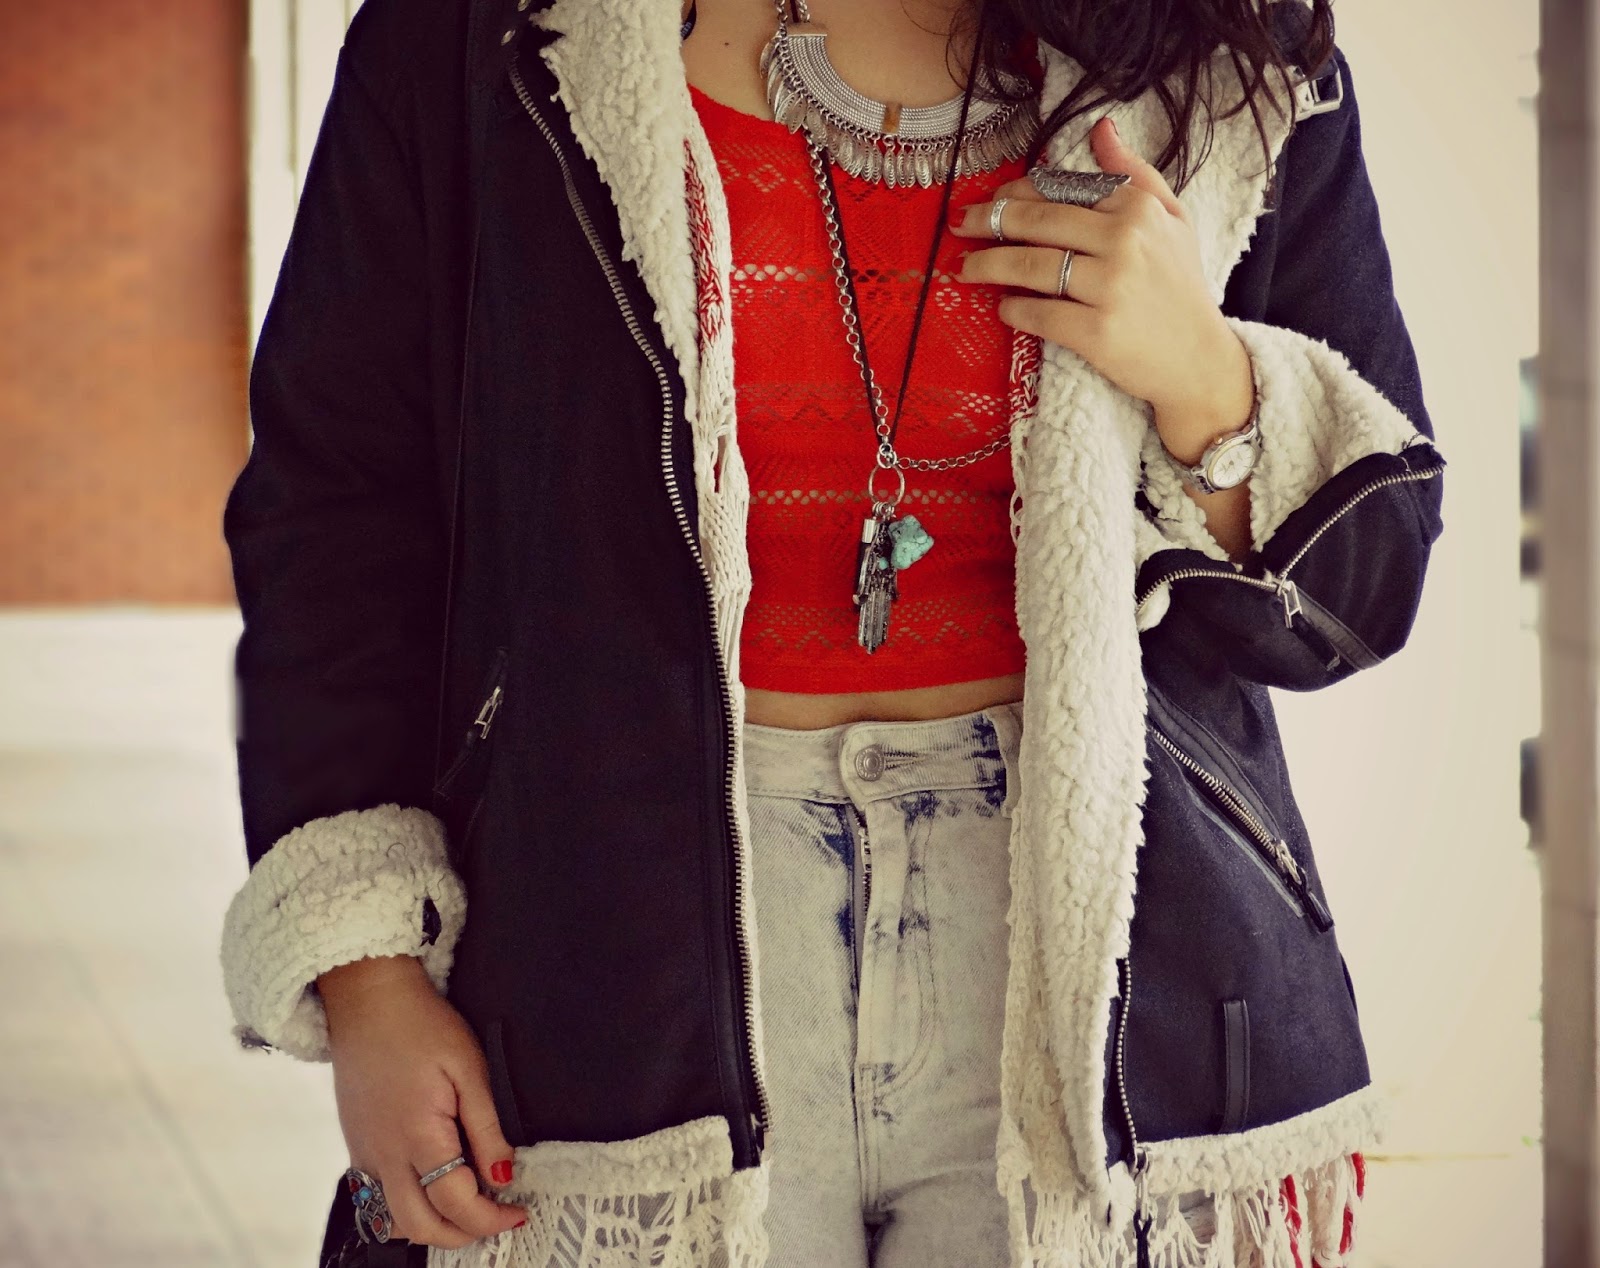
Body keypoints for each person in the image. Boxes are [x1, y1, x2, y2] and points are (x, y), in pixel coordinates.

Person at [219, 0, 1446, 1264]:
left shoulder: (1220, 62)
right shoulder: (472, 38)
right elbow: (337, 511)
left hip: (1095, 984)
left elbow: (1370, 580)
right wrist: (367, 974)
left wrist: (1205, 378)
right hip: (619, 945)